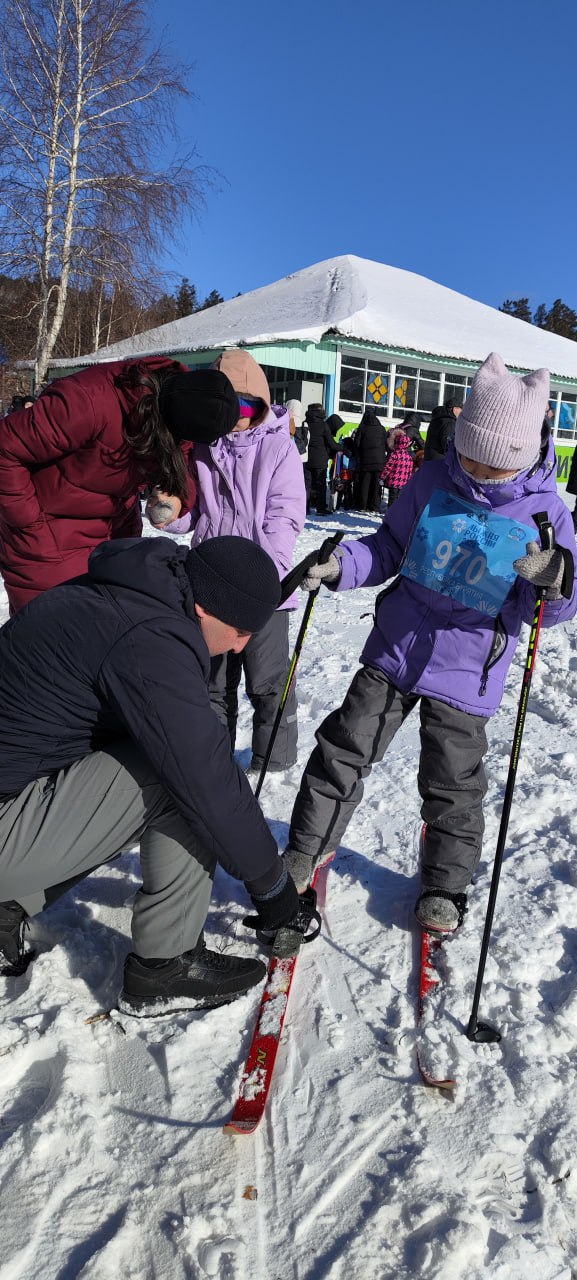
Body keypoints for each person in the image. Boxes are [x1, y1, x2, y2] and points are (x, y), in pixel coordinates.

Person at [281, 353, 577, 934]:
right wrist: (341, 564)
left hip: (468, 672)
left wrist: (552, 579)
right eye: (469, 455)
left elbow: (554, 609)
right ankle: (304, 849)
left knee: (452, 785)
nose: (478, 472)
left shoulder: (545, 514)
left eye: (495, 466)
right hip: (394, 648)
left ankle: (445, 883)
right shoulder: (432, 480)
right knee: (343, 750)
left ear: (523, 454)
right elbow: (388, 546)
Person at [0, 535, 302, 1012]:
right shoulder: (147, 638)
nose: (243, 645)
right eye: (242, 630)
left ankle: (9, 903)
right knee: (175, 778)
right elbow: (204, 779)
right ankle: (166, 966)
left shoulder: (137, 592)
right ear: (206, 608)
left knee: (156, 751)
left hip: (16, 789)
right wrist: (274, 888)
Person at [154, 351, 306, 771]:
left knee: (268, 679)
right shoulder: (203, 448)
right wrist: (170, 511)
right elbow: (194, 514)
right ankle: (214, 755)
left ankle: (274, 758)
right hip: (210, 583)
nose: (237, 415)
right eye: (229, 405)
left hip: (264, 588)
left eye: (247, 405)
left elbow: (285, 516)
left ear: (260, 404)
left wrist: (265, 577)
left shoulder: (278, 447)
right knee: (213, 681)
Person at [0, 358, 238, 614]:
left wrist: (176, 495)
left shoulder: (178, 416)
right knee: (50, 639)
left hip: (114, 537)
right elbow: (6, 448)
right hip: (47, 536)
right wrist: (28, 524)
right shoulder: (88, 402)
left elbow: (184, 455)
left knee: (107, 637)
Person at [305, 404, 339, 515]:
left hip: (306, 458)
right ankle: (320, 509)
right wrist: (343, 448)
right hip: (320, 459)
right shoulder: (323, 425)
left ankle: (305, 508)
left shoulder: (305, 423)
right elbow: (332, 444)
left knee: (307, 485)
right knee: (320, 485)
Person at [353, 406, 388, 513]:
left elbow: (357, 444)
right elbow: (385, 444)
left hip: (365, 461)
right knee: (377, 485)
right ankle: (375, 507)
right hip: (379, 461)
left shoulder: (362, 428)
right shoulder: (382, 429)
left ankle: (363, 506)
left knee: (365, 484)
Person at [380, 430, 414, 505]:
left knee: (392, 498)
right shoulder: (409, 456)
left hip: (394, 481)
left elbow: (388, 467)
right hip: (404, 482)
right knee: (399, 499)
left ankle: (390, 514)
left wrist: (382, 478)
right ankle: (396, 514)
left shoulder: (395, 454)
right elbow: (410, 471)